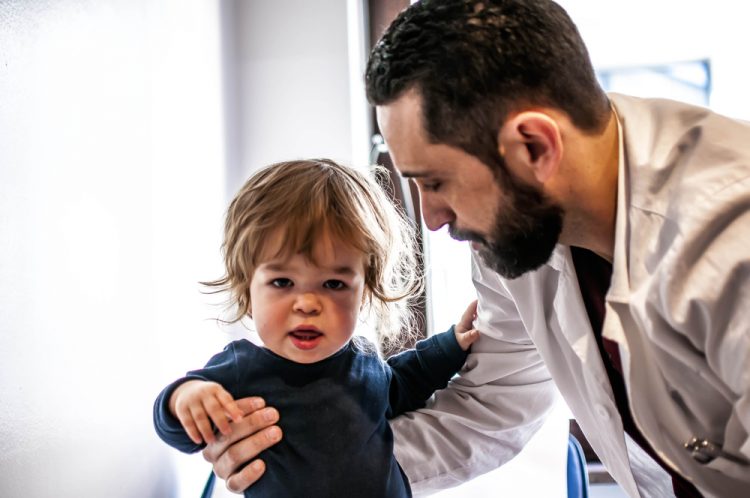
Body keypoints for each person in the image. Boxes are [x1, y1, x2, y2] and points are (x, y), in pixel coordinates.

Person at [200, 2, 750, 497]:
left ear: (533, 145)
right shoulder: (517, 228)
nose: (433, 219)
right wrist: (307, 462)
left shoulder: (731, 240)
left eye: (435, 182)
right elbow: (494, 405)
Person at [153, 159, 479, 497]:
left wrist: (452, 345)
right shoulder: (242, 370)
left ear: (364, 292)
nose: (307, 303)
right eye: (283, 281)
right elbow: (178, 430)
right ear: (248, 289)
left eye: (334, 284)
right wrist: (184, 399)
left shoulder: (365, 362)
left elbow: (403, 384)